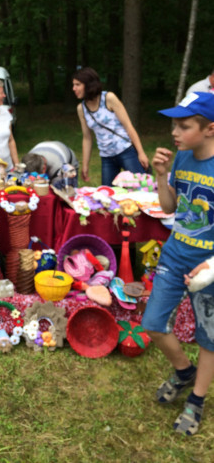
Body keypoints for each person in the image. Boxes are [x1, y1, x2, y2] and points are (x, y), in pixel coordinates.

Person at [141, 91, 214, 436]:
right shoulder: (182, 157)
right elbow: (170, 208)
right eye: (174, 125)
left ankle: (197, 400)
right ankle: (185, 372)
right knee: (153, 323)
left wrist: (211, 265)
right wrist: (161, 175)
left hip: (208, 267)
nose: (174, 132)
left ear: (210, 129)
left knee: (209, 338)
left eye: (184, 126)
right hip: (175, 254)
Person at [73, 67, 149, 186]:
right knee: (108, 194)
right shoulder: (81, 109)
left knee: (141, 187)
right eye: (73, 85)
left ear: (88, 84)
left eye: (78, 84)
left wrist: (141, 153)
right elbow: (87, 138)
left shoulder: (108, 98)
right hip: (107, 157)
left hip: (126, 151)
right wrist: (85, 165)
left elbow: (128, 126)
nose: (74, 88)